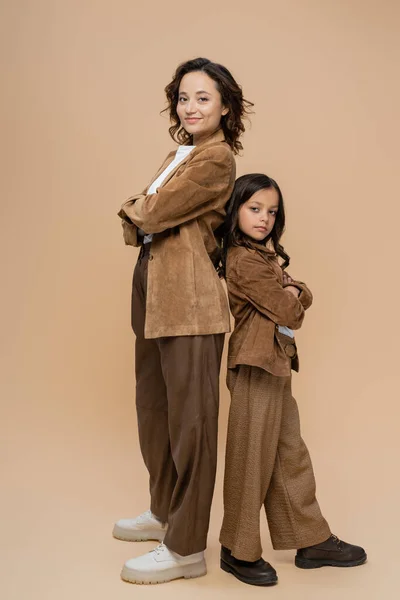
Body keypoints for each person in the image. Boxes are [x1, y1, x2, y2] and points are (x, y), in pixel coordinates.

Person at [114, 58, 253, 585]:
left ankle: (186, 546)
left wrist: (137, 205)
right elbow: (146, 217)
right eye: (183, 98)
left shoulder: (216, 160)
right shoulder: (181, 154)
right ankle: (163, 511)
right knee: (154, 410)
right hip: (153, 295)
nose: (190, 107)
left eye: (203, 98)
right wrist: (142, 208)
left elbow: (148, 214)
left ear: (225, 107)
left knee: (191, 424)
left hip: (192, 304)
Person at [218, 173, 367, 586]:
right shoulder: (244, 259)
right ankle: (237, 549)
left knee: (289, 455)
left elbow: (292, 297)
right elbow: (290, 311)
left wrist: (292, 289)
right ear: (235, 210)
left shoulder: (261, 256)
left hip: (276, 363)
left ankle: (311, 538)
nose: (264, 218)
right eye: (254, 209)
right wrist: (295, 292)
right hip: (254, 365)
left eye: (272, 211)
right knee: (252, 458)